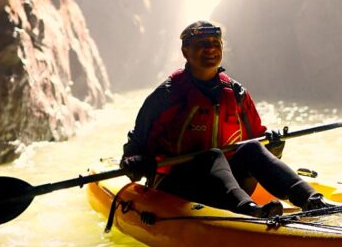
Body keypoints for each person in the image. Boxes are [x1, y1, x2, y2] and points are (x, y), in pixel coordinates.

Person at [120, 21, 330, 218]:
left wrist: (274, 146)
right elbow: (137, 142)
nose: (210, 49)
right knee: (213, 156)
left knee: (252, 148)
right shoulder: (167, 95)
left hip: (227, 186)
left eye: (215, 44)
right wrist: (133, 160)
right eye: (202, 44)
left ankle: (312, 200)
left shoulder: (236, 93)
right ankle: (250, 211)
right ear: (185, 51)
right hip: (178, 186)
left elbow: (256, 142)